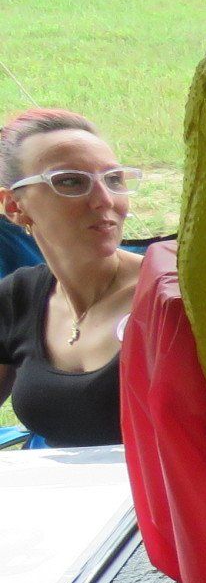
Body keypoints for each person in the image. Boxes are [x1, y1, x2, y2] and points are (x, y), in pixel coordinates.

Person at [0, 110, 144, 447]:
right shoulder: (19, 296)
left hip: (164, 497)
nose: (104, 200)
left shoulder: (171, 293)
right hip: (65, 495)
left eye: (114, 179)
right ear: (13, 206)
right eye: (70, 181)